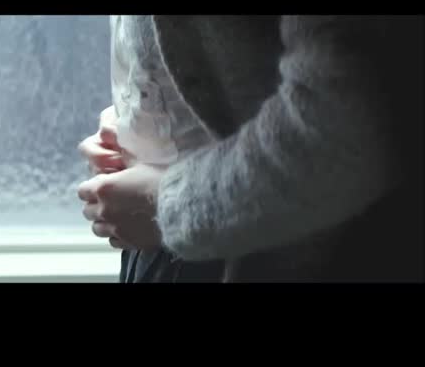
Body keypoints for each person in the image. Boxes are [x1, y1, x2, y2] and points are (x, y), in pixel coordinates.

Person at [77, 15, 423, 283]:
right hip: (172, 238)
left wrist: (162, 203)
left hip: (277, 252)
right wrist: (138, 123)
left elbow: (347, 124)